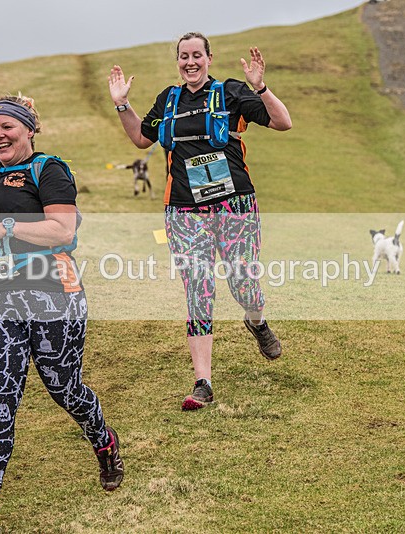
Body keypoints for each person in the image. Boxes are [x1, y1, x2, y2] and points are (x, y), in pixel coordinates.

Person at [0, 93, 123, 532]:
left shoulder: (49, 170)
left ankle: (104, 442)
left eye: (7, 127)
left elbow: (63, 228)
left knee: (64, 388)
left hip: (53, 293)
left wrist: (9, 227)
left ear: (29, 130)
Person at [107, 32, 292, 411]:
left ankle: (257, 322)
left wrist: (261, 88)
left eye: (196, 55)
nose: (190, 62)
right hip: (184, 210)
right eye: (183, 56)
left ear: (209, 58)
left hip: (234, 204)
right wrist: (122, 104)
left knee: (244, 283)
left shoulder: (232, 92)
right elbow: (141, 139)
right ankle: (202, 382)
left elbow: (282, 122)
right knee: (198, 288)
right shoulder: (168, 100)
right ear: (177, 61)